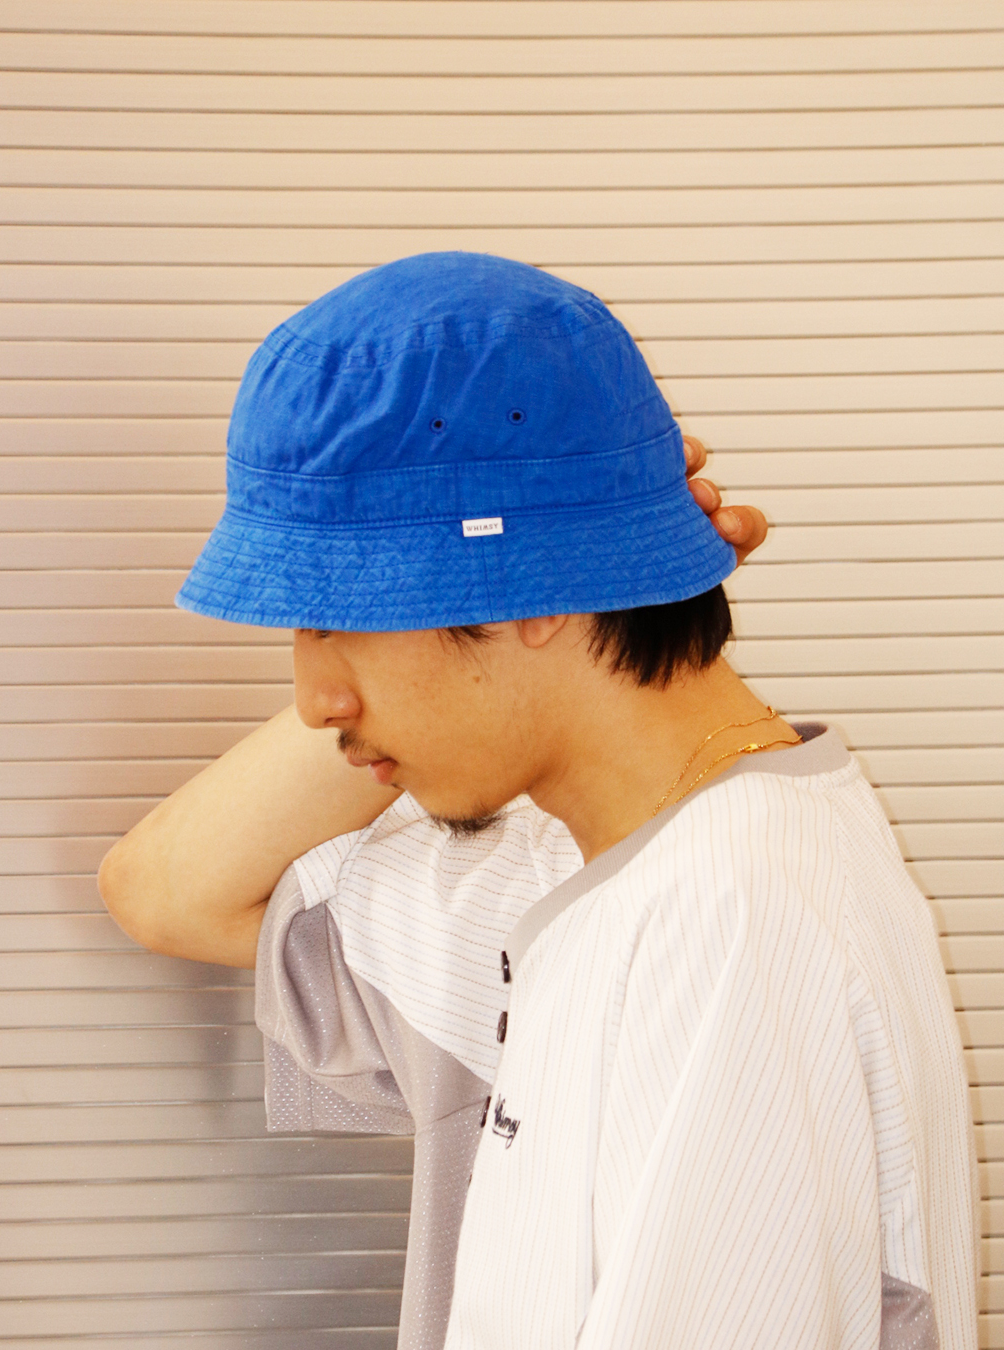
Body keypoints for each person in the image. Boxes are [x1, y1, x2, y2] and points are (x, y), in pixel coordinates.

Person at [100, 253, 977, 1350]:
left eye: (340, 617)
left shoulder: (729, 913)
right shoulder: (566, 868)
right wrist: (602, 540)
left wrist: (592, 543)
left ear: (533, 597)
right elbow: (165, 889)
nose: (315, 700)